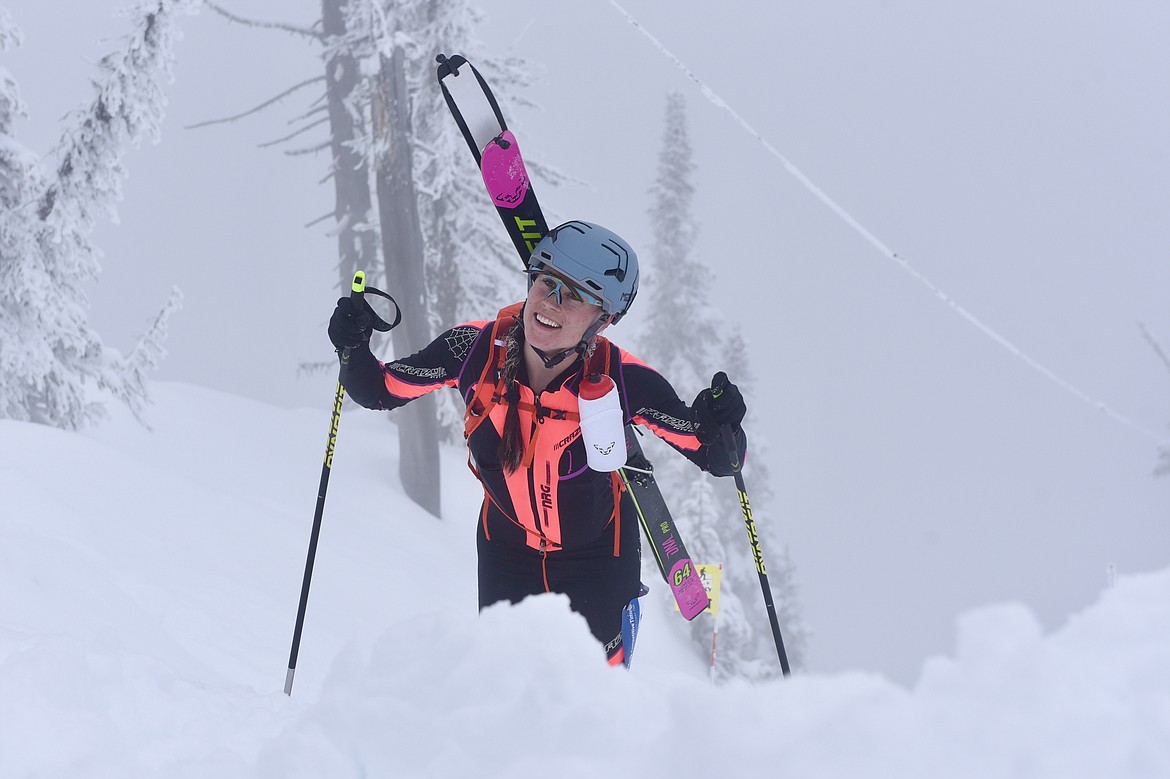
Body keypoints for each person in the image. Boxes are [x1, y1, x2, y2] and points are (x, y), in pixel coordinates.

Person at [328, 220, 747, 667]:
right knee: (507, 695)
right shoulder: (473, 350)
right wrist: (352, 347)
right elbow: (379, 390)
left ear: (604, 320)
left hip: (598, 560)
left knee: (595, 702)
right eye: (548, 281)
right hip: (505, 553)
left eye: (579, 295)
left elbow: (718, 457)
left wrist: (724, 424)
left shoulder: (623, 380)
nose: (553, 302)